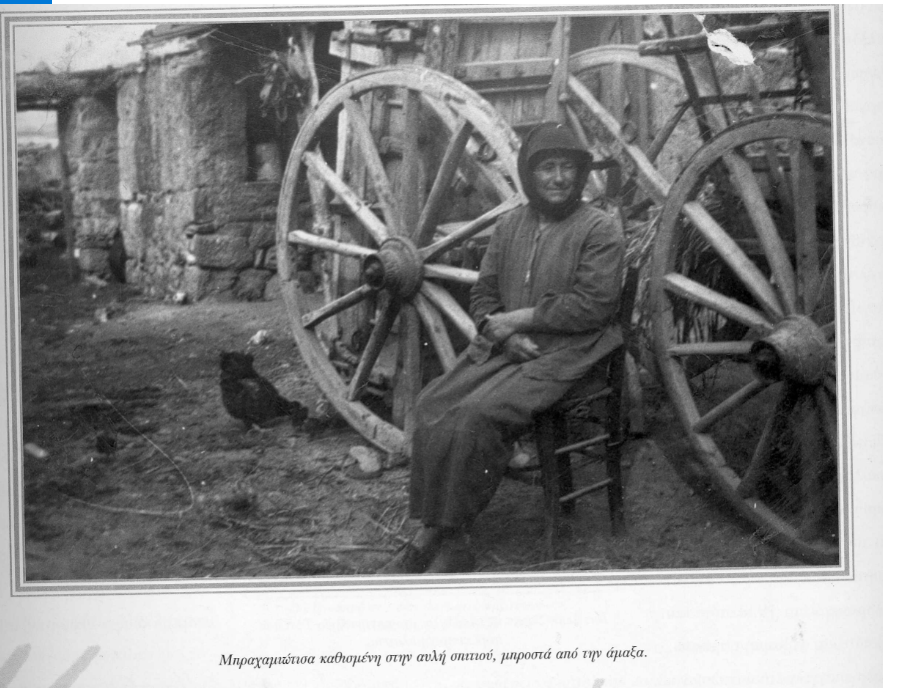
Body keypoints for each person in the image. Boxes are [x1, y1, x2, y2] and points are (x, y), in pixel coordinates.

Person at [380, 122, 625, 574]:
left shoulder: (599, 229)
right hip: (511, 348)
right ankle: (432, 528)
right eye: (547, 168)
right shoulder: (511, 225)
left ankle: (453, 538)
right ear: (529, 175)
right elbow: (484, 294)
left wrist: (519, 319)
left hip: (572, 351)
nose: (558, 178)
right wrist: (505, 334)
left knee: (476, 416)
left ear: (580, 173)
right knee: (433, 403)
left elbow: (594, 305)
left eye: (567, 168)